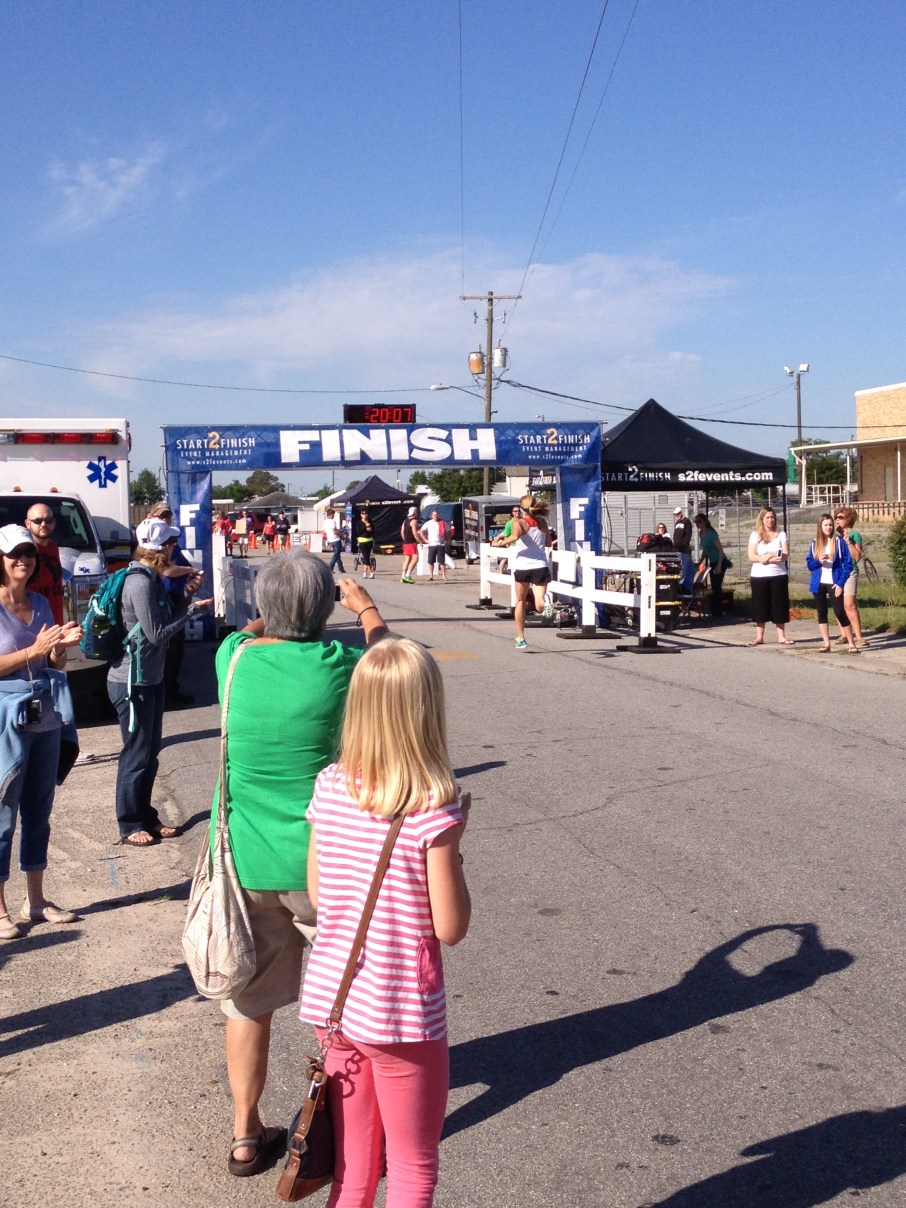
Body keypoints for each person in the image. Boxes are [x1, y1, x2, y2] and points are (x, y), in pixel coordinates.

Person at [215, 553, 389, 1178]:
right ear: (322, 611)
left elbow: (253, 627)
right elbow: (391, 661)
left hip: (248, 858)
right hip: (326, 861)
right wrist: (364, 607)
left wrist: (279, 608)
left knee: (248, 998)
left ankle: (245, 1134)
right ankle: (352, 1127)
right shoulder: (340, 664)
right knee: (351, 993)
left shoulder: (233, 659)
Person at [300, 638, 471, 1207]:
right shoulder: (432, 805)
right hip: (401, 1011)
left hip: (337, 999)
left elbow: (319, 896)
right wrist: (455, 848)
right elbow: (450, 926)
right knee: (412, 1165)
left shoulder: (330, 785)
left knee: (353, 1165)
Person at [107, 517, 212, 847]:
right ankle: (129, 823)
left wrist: (185, 597)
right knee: (136, 755)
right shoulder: (140, 583)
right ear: (160, 549)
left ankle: (146, 817)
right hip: (131, 681)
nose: (174, 548)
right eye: (171, 543)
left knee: (149, 753)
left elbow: (163, 620)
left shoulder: (151, 579)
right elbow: (157, 634)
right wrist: (192, 611)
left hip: (149, 677)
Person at [0, 524, 82, 940]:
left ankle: (35, 900)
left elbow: (53, 664)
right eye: (15, 553)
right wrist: (33, 650)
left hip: (45, 717)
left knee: (39, 812)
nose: (23, 560)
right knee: (2, 814)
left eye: (29, 553)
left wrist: (58, 649)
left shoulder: (41, 603)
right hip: (6, 721)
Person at [494, 494, 551, 651]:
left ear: (521, 508)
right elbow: (548, 543)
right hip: (540, 565)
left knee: (520, 601)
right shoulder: (542, 522)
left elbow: (515, 536)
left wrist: (499, 543)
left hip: (523, 566)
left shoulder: (518, 522)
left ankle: (521, 637)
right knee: (539, 605)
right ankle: (545, 602)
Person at [806, 513, 857, 653]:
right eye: (825, 525)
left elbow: (848, 565)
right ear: (820, 527)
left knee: (840, 612)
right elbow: (810, 564)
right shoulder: (815, 543)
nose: (828, 527)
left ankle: (852, 643)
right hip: (819, 583)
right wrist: (819, 562)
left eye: (830, 525)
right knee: (822, 612)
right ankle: (826, 643)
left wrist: (840, 583)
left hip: (834, 582)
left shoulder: (839, 542)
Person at [746, 507, 793, 646]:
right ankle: (759, 637)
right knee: (760, 605)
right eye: (767, 517)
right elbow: (751, 555)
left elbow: (785, 554)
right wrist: (763, 558)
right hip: (759, 576)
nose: (770, 520)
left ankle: (781, 636)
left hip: (778, 575)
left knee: (779, 605)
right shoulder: (755, 535)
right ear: (762, 519)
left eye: (772, 517)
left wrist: (770, 557)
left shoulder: (781, 534)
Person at [24, 505, 64, 625]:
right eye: (37, 521)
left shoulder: (53, 547)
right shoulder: (24, 551)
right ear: (28, 523)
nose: (43, 524)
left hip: (56, 621)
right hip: (35, 623)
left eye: (48, 520)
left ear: (54, 523)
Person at [834, 507, 868, 649]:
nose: (837, 520)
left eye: (841, 517)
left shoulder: (854, 535)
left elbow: (856, 556)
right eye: (836, 517)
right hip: (836, 572)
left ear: (849, 519)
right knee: (838, 605)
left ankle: (859, 636)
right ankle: (844, 634)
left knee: (849, 604)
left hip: (850, 571)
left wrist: (848, 541)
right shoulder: (834, 535)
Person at [693, 513, 728, 619]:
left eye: (699, 521)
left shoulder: (711, 534)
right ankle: (714, 610)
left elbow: (720, 550)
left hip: (720, 561)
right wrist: (700, 562)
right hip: (713, 561)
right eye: (696, 522)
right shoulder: (701, 534)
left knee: (717, 586)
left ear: (704, 522)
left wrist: (719, 565)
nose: (697, 524)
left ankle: (720, 611)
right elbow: (705, 549)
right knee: (713, 586)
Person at [419, 509, 449, 583]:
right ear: (431, 516)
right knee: (431, 561)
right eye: (434, 514)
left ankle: (444, 576)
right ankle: (431, 576)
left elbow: (449, 531)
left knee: (442, 562)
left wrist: (446, 539)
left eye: (437, 514)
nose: (436, 516)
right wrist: (425, 540)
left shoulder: (442, 522)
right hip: (432, 545)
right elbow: (421, 531)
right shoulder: (428, 523)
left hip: (440, 544)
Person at [400, 506, 422, 584]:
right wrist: (420, 541)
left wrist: (405, 539)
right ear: (414, 513)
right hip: (411, 542)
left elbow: (402, 532)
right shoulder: (414, 521)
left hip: (405, 542)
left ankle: (403, 576)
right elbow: (415, 533)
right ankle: (408, 575)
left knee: (407, 559)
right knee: (416, 558)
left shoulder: (405, 521)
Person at [325, 508, 346, 574]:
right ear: (330, 515)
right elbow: (335, 531)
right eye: (333, 515)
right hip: (336, 539)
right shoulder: (332, 521)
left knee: (337, 554)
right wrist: (342, 535)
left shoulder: (325, 522)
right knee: (336, 554)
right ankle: (330, 567)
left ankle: (341, 568)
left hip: (330, 539)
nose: (333, 516)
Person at [356, 511, 376, 578]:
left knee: (367, 556)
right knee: (366, 557)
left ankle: (365, 573)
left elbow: (373, 531)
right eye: (363, 514)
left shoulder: (370, 521)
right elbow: (358, 532)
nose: (364, 515)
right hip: (362, 541)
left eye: (366, 513)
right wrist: (365, 527)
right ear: (361, 515)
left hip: (369, 540)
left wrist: (370, 530)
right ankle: (371, 572)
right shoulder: (359, 523)